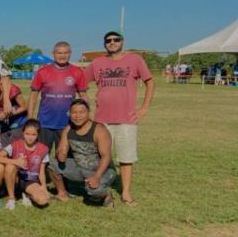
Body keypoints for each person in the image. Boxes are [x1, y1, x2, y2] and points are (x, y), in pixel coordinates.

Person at [84, 30, 154, 205]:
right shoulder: (97, 63)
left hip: (126, 119)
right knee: (101, 156)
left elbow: (150, 82)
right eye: (108, 40)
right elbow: (81, 82)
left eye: (116, 39)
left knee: (126, 158)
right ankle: (101, 189)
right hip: (102, 120)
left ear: (122, 41)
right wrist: (86, 102)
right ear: (104, 43)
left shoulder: (135, 60)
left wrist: (144, 108)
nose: (112, 42)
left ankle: (126, 193)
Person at [48, 99, 116, 207]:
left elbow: (106, 157)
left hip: (103, 171)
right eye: (74, 112)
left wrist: (97, 177)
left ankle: (106, 194)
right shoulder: (68, 129)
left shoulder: (99, 129)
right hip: (80, 168)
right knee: (52, 164)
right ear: (69, 114)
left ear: (88, 112)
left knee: (93, 191)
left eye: (81, 112)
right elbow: (60, 151)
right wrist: (60, 154)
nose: (77, 116)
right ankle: (62, 194)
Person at [27, 41, 89, 152]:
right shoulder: (43, 72)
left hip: (68, 123)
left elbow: (83, 95)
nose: (62, 55)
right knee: (42, 156)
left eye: (65, 52)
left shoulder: (77, 72)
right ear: (53, 54)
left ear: (70, 53)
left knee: (63, 156)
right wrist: (30, 117)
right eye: (59, 53)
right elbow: (33, 96)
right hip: (45, 123)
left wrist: (86, 117)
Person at [0, 119, 50, 210]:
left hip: (30, 181)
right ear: (22, 133)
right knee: (10, 166)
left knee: (43, 200)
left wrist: (43, 187)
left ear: (38, 135)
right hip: (15, 178)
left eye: (33, 135)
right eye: (27, 134)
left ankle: (26, 193)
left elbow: (41, 171)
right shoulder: (15, 144)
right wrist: (15, 162)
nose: (30, 137)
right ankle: (11, 198)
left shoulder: (43, 149)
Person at [0, 66, 25, 147]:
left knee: (16, 152)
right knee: (4, 152)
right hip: (3, 128)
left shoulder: (13, 90)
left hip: (18, 127)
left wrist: (8, 114)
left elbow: (24, 107)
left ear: (0, 81)